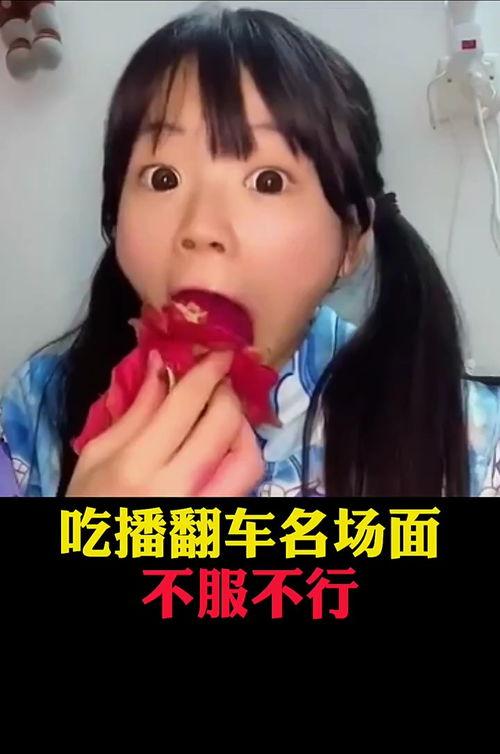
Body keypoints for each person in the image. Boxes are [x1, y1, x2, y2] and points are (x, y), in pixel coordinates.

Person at [1, 3, 498, 497]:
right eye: (163, 177)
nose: (201, 227)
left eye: (267, 181)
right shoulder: (38, 410)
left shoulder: (471, 443)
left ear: (349, 241)